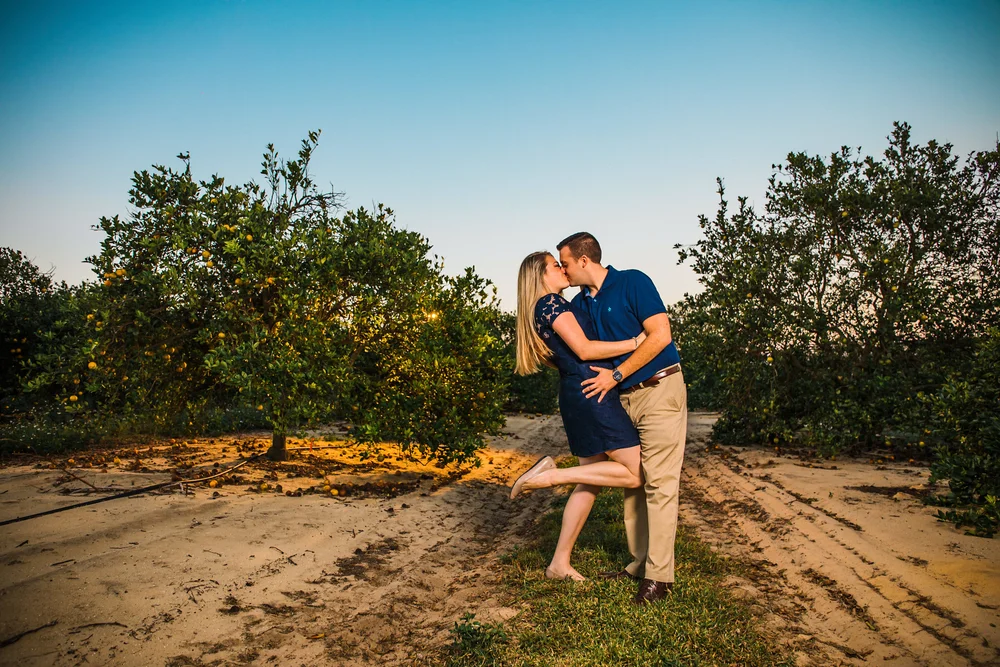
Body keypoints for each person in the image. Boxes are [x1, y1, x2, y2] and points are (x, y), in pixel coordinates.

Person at [557, 231, 686, 606]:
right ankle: (639, 564)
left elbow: (660, 335)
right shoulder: (581, 303)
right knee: (635, 480)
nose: (564, 271)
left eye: (565, 263)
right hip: (621, 401)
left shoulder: (633, 281)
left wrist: (615, 374)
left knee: (660, 483)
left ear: (584, 260)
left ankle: (659, 579)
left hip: (659, 389)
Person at [511, 250, 647, 582]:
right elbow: (584, 349)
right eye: (555, 265)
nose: (562, 269)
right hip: (592, 394)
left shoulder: (547, 308)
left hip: (581, 391)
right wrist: (635, 342)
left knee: (589, 483)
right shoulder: (549, 305)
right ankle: (552, 475)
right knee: (635, 473)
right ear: (541, 276)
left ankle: (559, 563)